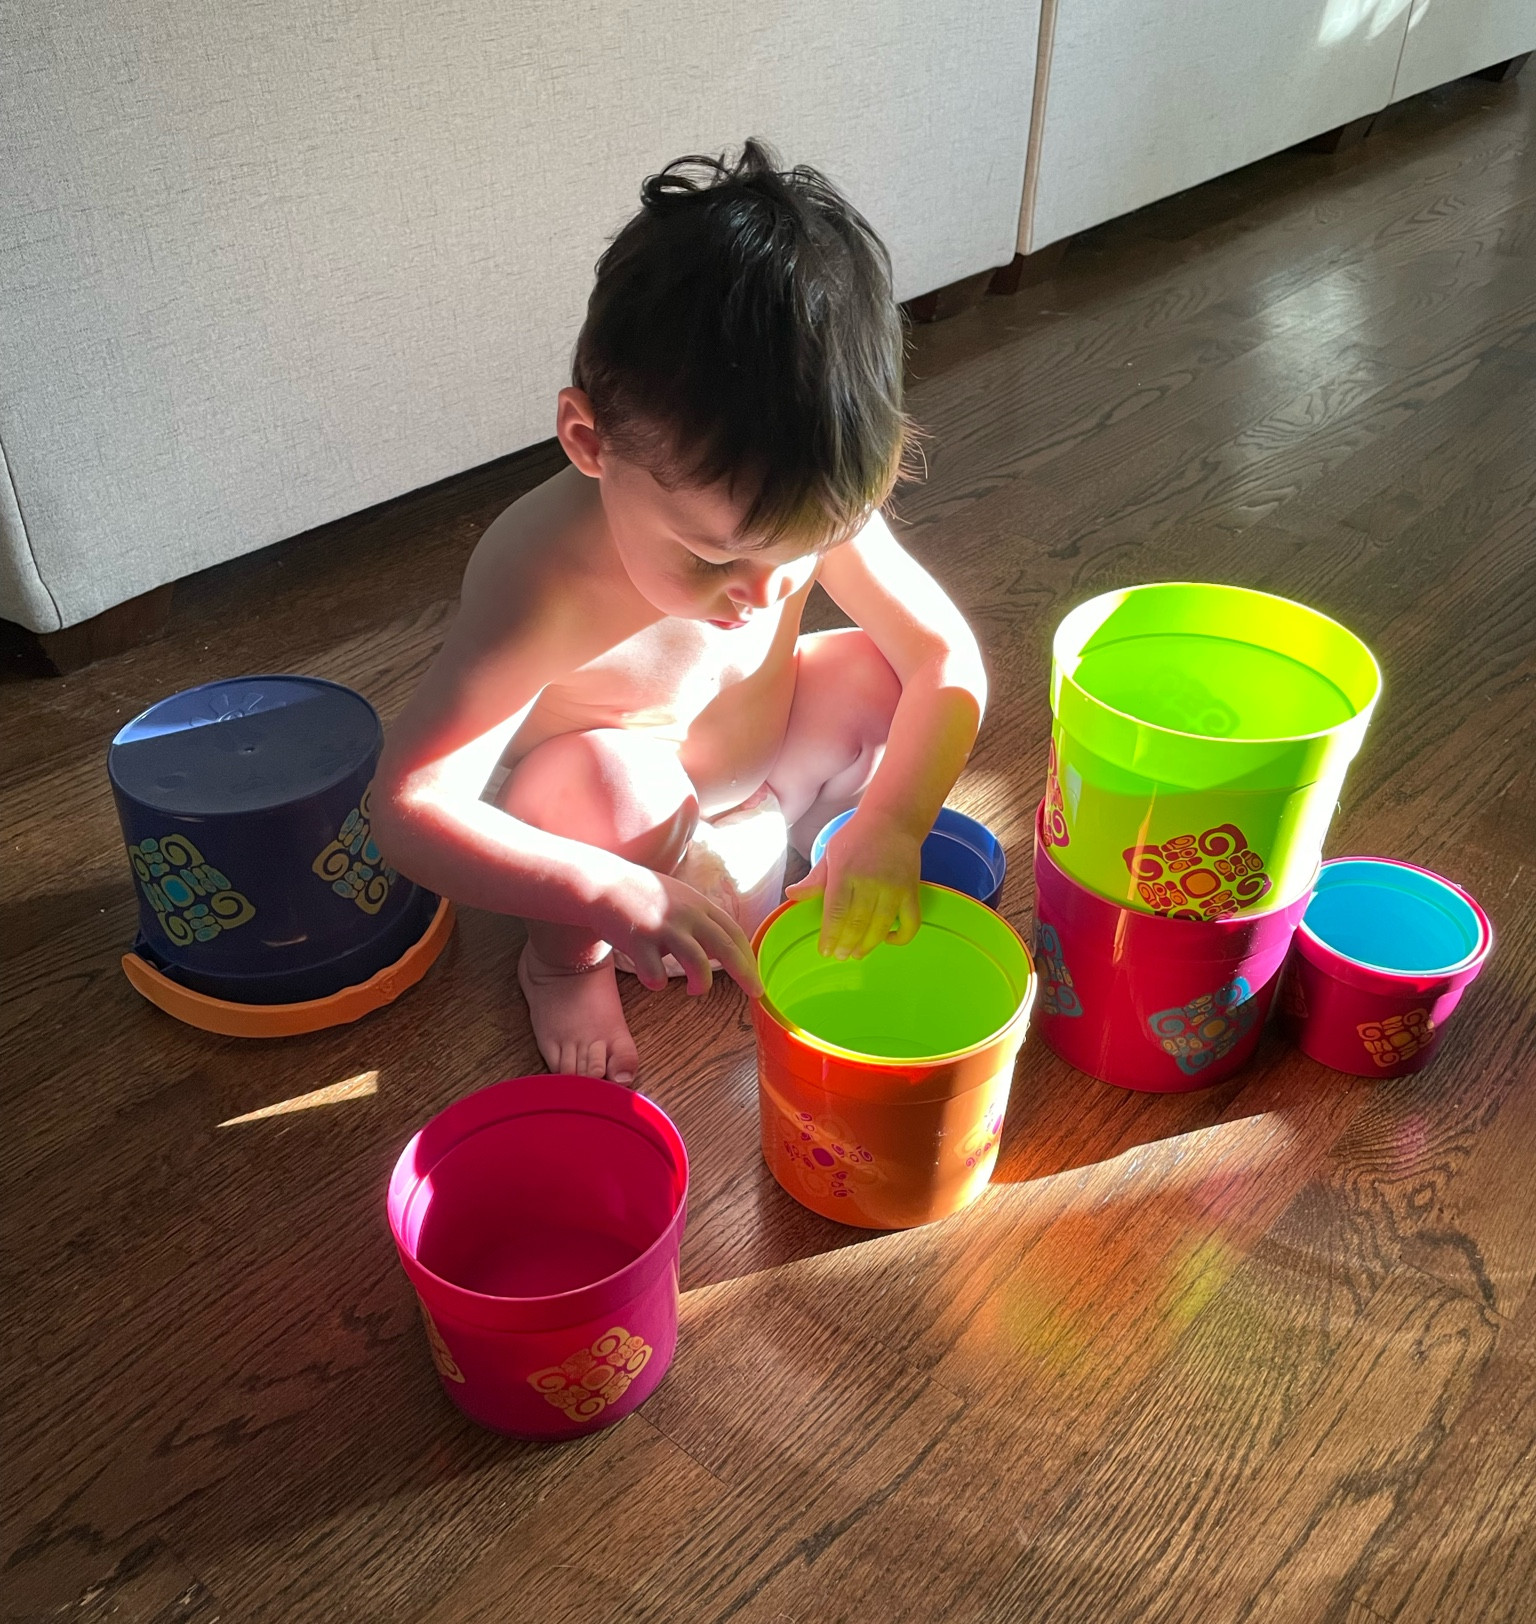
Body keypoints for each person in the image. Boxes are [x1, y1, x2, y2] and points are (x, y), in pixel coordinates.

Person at [372, 140, 986, 1085]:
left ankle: (787, 845)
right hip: (625, 824)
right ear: (589, 442)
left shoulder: (798, 495)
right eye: (712, 556)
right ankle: (563, 964)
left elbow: (947, 658)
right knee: (597, 787)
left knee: (881, 671)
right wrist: (603, 888)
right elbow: (409, 807)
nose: (767, 592)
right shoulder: (543, 578)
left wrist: (896, 823)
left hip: (761, 770)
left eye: (802, 552)